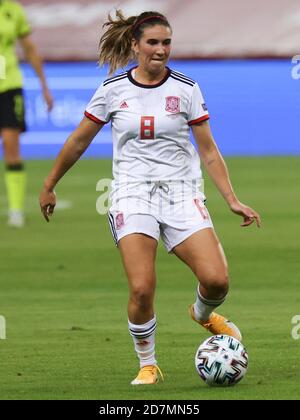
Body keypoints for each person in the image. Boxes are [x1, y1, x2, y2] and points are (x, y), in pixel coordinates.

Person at [39, 10, 261, 386]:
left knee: (217, 280)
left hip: (181, 194)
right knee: (141, 286)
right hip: (131, 195)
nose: (161, 50)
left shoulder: (186, 89)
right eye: (153, 43)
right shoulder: (113, 90)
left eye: (166, 43)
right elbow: (79, 140)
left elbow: (208, 151)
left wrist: (231, 198)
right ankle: (148, 364)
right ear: (135, 45)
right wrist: (50, 183)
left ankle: (203, 313)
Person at [0, 0, 53, 227]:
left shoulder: (13, 10)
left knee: (11, 145)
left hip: (9, 85)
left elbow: (30, 48)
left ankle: (15, 210)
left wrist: (44, 86)